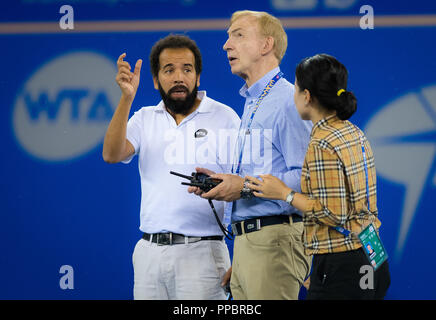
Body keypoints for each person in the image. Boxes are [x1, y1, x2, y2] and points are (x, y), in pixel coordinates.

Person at [102, 34, 240, 300]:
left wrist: (242, 258)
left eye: (187, 69)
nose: (179, 77)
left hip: (203, 255)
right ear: (155, 80)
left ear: (198, 77)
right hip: (149, 253)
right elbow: (111, 154)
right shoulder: (143, 118)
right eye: (169, 70)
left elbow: (246, 185)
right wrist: (126, 98)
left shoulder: (225, 118)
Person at [245, 53, 391, 299]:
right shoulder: (353, 131)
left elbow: (333, 213)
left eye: (296, 88)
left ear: (307, 96)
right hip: (373, 254)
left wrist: (284, 193)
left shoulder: (322, 142)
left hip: (345, 264)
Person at [190, 10, 313, 300]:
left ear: (266, 45)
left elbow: (307, 179)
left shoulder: (287, 100)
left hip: (275, 243)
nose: (226, 45)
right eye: (228, 36)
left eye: (238, 35)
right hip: (251, 245)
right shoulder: (254, 100)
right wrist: (225, 184)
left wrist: (243, 186)